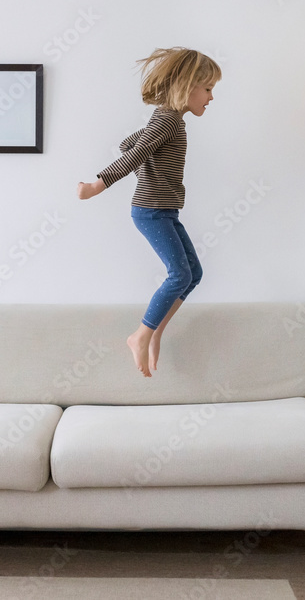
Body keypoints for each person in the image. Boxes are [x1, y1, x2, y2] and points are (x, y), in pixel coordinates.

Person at [77, 47, 221, 377]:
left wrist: (148, 157)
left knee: (194, 274)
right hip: (151, 211)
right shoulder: (168, 120)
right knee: (179, 274)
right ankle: (140, 335)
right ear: (188, 86)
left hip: (165, 210)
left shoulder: (168, 121)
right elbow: (134, 152)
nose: (211, 98)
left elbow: (130, 144)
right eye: (208, 89)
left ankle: (155, 331)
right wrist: (97, 184)